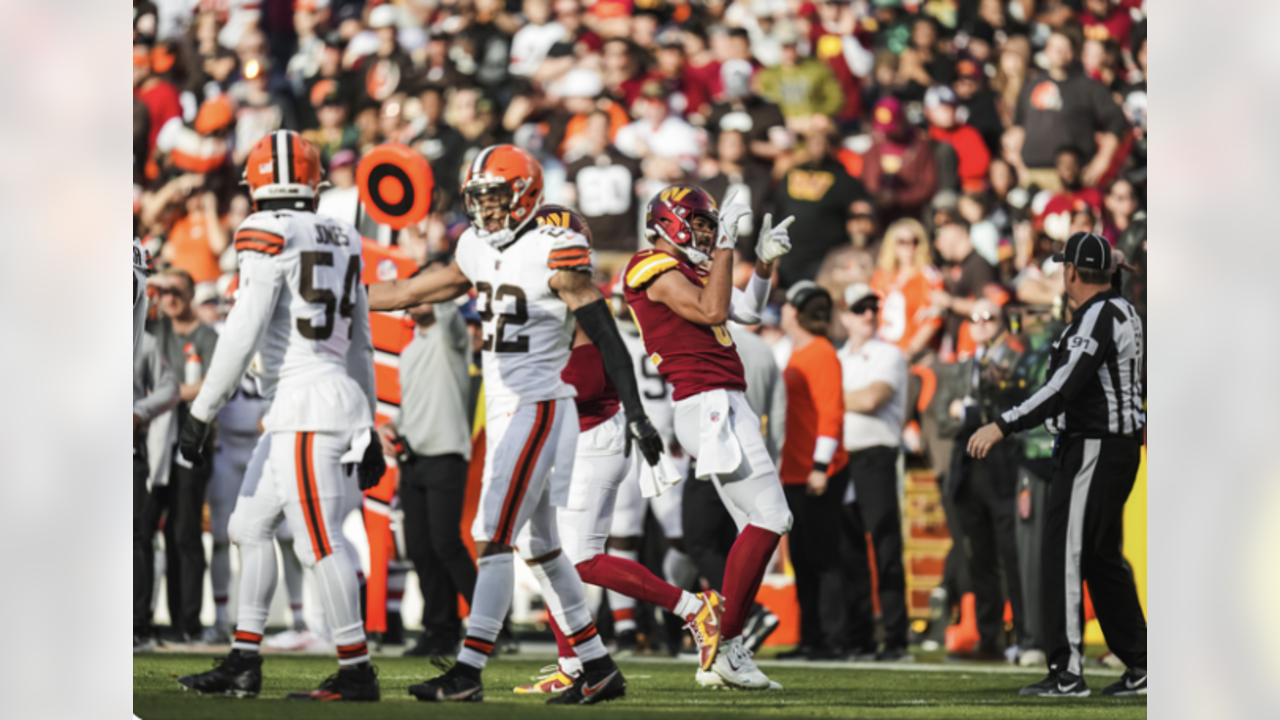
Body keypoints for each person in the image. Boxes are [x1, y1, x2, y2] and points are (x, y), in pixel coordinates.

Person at [367, 145, 662, 705]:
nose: (487, 209)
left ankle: (470, 669)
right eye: (479, 198)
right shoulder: (477, 247)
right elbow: (409, 291)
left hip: (538, 404)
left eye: (497, 197)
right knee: (541, 546)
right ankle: (597, 667)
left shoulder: (555, 250)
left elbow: (606, 335)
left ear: (525, 194)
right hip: (507, 410)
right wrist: (346, 300)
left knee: (493, 536)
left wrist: (639, 415)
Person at [176, 131, 383, 701]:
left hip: (304, 406)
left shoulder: (265, 230)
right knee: (248, 527)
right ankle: (244, 660)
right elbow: (361, 343)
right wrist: (370, 427)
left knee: (318, 541)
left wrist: (202, 410)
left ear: (259, 182)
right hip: (327, 397)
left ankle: (356, 670)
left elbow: (243, 328)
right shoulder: (345, 234)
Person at [510, 206, 723, 695]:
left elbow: (596, 374)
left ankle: (694, 609)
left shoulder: (579, 298)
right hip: (565, 436)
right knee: (541, 550)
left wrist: (634, 417)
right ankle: (572, 662)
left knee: (581, 558)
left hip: (594, 435)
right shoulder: (539, 299)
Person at [621, 184, 795, 689]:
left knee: (752, 525)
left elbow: (745, 311)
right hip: (709, 401)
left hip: (718, 400)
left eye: (707, 225)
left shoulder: (691, 269)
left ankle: (721, 650)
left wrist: (761, 266)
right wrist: (724, 243)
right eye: (697, 224)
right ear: (669, 222)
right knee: (772, 517)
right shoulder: (646, 264)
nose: (703, 232)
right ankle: (728, 645)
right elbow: (713, 311)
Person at [968, 232, 1147, 698]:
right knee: (1099, 557)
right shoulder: (1118, 308)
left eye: (1064, 266)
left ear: (1070, 272)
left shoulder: (1095, 318)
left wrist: (1001, 425)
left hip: (1094, 447)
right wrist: (1109, 269)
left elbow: (1061, 389)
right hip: (1113, 447)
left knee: (1063, 554)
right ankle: (1145, 663)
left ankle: (1066, 672)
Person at [376, 290, 478, 659]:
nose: (417, 297)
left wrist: (439, 269)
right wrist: (391, 427)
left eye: (426, 291)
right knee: (420, 549)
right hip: (413, 457)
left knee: (446, 544)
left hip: (446, 453)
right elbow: (412, 406)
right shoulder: (409, 350)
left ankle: (488, 626)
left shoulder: (451, 334)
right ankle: (440, 631)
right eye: (414, 292)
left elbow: (449, 305)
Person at [943, 299, 1027, 660]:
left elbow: (1008, 406)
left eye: (989, 317)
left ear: (1003, 323)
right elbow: (941, 417)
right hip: (969, 473)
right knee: (978, 559)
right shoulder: (963, 366)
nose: (980, 323)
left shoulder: (1018, 358)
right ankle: (989, 636)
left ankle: (1027, 638)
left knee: (1014, 557)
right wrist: (967, 413)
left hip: (1004, 471)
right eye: (974, 318)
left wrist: (967, 411)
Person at [145, 268, 220, 643]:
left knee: (185, 532)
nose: (170, 297)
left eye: (178, 290)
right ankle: (145, 618)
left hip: (192, 442)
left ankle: (187, 621)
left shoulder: (206, 336)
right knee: (143, 529)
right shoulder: (154, 330)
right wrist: (150, 285)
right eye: (165, 290)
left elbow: (212, 383)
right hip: (154, 442)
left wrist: (165, 394)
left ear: (191, 293)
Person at [775, 281, 849, 661]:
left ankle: (833, 639)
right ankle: (812, 636)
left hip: (818, 472)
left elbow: (831, 414)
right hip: (796, 472)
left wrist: (820, 466)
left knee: (822, 556)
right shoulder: (799, 352)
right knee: (803, 558)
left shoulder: (820, 353)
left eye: (788, 306)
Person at [837, 283, 911, 661]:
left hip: (876, 454)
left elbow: (871, 398)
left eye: (872, 307)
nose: (869, 314)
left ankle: (897, 637)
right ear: (845, 315)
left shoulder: (888, 354)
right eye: (860, 308)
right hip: (845, 457)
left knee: (885, 546)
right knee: (849, 551)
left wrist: (833, 398)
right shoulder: (840, 357)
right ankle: (859, 635)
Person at [1003, 28, 1129, 191]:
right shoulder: (1031, 84)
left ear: (1074, 53)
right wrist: (1018, 165)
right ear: (1046, 51)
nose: (1059, 52)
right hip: (1032, 175)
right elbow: (1018, 127)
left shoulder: (1088, 87)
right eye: (1054, 47)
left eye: (1065, 48)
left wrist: (1103, 160)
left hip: (1072, 180)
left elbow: (1117, 120)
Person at [773, 128, 869, 286]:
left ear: (831, 146)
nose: (818, 146)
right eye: (814, 141)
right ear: (806, 145)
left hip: (825, 260)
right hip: (789, 257)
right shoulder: (792, 173)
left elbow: (862, 209)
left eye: (823, 141)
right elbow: (778, 211)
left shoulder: (842, 177)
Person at [134, 331, 180, 652]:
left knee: (132, 537)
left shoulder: (142, 341)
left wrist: (140, 411)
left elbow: (170, 389)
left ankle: (136, 626)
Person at [563, 110, 644, 252]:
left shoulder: (630, 163)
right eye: (595, 127)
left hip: (625, 244)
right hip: (590, 246)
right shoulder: (575, 165)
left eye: (603, 127)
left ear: (610, 128)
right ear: (586, 130)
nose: (599, 132)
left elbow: (643, 204)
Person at [869, 219, 944, 362]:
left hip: (914, 357)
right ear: (893, 245)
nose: (909, 247)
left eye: (915, 241)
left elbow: (933, 320)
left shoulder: (929, 275)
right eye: (902, 242)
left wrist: (908, 353)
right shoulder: (881, 276)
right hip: (882, 352)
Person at [862, 97, 941, 226]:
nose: (887, 133)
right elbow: (866, 180)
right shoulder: (874, 149)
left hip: (912, 217)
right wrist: (876, 197)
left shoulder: (919, 148)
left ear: (902, 121)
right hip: (880, 219)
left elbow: (929, 186)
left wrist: (897, 198)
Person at [925, 85, 991, 193]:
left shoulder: (969, 133)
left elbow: (981, 164)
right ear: (928, 112)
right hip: (936, 191)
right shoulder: (926, 137)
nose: (949, 111)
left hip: (967, 190)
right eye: (942, 108)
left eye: (952, 106)